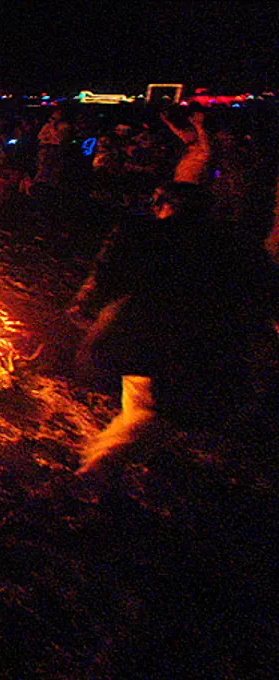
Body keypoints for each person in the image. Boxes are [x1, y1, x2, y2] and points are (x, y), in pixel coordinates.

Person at [68, 182, 279, 474]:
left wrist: (86, 306)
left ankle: (99, 466)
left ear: (162, 204)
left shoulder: (142, 232)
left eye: (156, 201)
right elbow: (264, 295)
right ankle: (108, 458)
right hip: (203, 345)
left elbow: (107, 275)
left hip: (145, 335)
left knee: (152, 406)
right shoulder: (242, 247)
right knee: (152, 402)